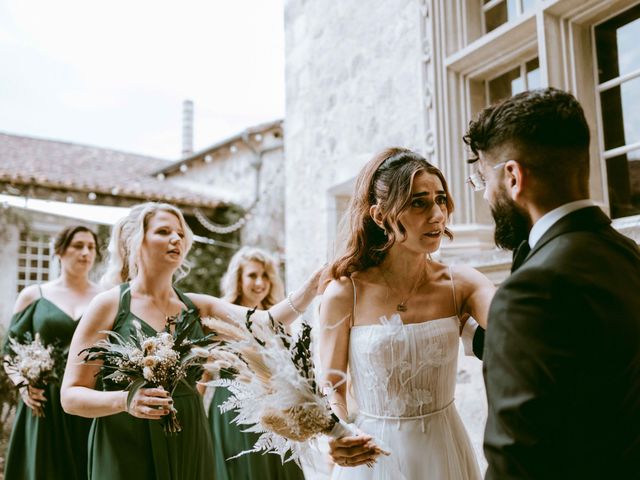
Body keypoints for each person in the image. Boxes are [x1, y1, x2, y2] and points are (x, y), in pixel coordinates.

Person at [60, 202, 323, 480]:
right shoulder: (109, 305)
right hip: (124, 442)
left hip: (189, 437)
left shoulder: (198, 308)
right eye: (163, 231)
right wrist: (125, 400)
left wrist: (313, 286)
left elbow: (268, 321)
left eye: (180, 233)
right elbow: (70, 396)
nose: (176, 238)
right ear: (137, 241)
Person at [463, 87, 640, 478]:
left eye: (481, 179)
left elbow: (516, 465)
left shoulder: (528, 292)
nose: (486, 195)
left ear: (513, 176)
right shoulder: (629, 255)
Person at [320, 148, 495, 479]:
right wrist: (338, 432)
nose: (437, 215)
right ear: (380, 214)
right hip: (372, 455)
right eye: (419, 202)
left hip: (443, 450)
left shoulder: (463, 284)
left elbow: (519, 330)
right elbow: (332, 384)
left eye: (441, 200)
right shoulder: (345, 292)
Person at [3, 225, 102, 480]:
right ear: (60, 251)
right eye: (78, 246)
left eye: (91, 247)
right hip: (44, 398)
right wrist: (23, 385)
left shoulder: (105, 298)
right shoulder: (33, 296)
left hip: (88, 395)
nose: (85, 253)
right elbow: (10, 353)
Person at [207, 246, 305, 480]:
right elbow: (204, 373)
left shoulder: (279, 318)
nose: (260, 282)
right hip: (232, 409)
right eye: (252, 275)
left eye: (265, 276)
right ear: (238, 279)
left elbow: (290, 368)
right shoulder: (221, 316)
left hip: (274, 408)